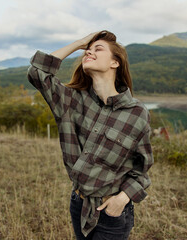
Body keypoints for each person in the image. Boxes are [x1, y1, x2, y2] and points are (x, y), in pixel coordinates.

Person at [27, 30, 153, 239]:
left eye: (98, 49)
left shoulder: (136, 114)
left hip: (112, 211)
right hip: (79, 204)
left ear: (115, 63)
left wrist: (121, 199)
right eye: (87, 50)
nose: (88, 52)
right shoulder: (71, 101)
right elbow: (36, 71)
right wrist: (79, 43)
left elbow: (142, 170)